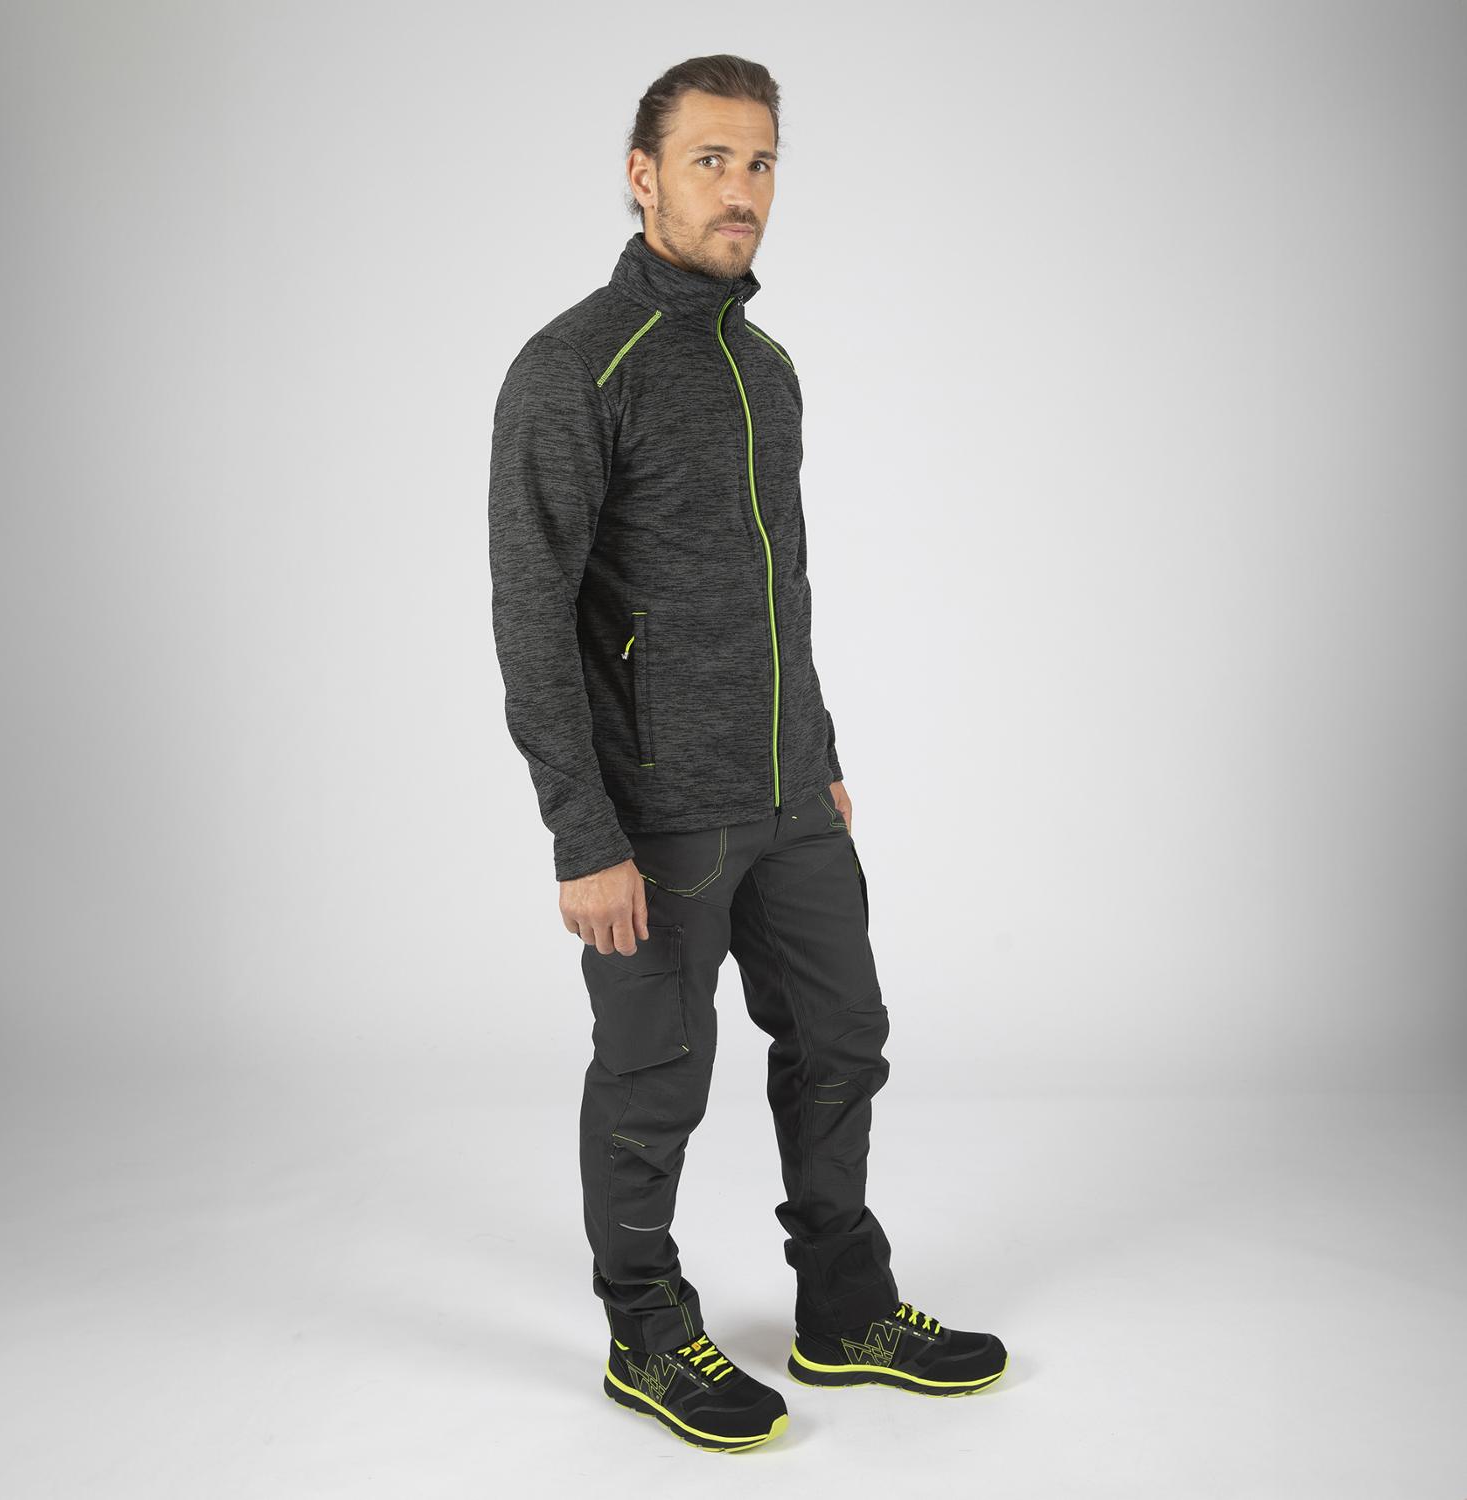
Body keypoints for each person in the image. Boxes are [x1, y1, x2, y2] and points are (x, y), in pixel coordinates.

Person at [487, 53, 1007, 1452]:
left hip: (790, 799)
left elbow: (783, 588)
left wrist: (816, 749)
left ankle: (844, 1311)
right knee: (655, 1081)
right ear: (642, 175)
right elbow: (532, 617)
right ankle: (646, 1332)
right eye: (710, 160)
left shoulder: (765, 369)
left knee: (843, 1041)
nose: (742, 190)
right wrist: (582, 834)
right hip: (655, 815)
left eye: (761, 162)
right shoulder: (572, 367)